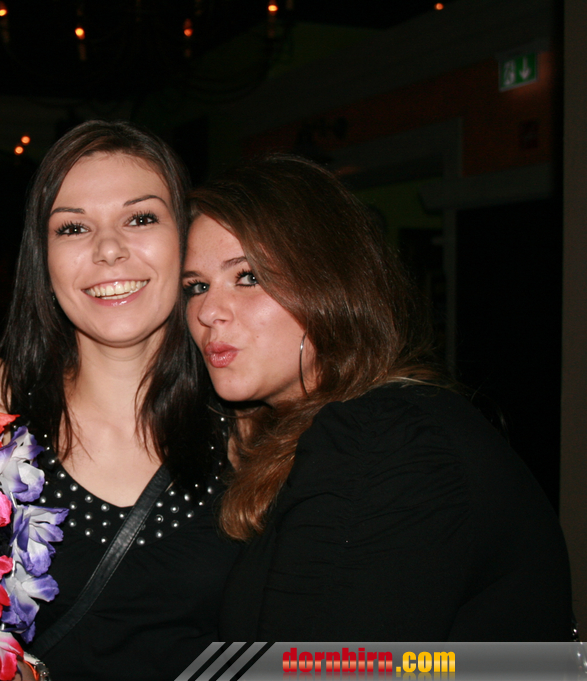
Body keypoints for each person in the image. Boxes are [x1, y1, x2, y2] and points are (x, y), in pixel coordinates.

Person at [182, 153, 572, 641]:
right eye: (196, 286)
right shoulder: (326, 432)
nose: (208, 311)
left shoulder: (381, 437)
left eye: (248, 277)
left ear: (329, 284)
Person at [0, 120, 240, 680]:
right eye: (73, 228)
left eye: (140, 219)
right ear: (43, 259)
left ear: (185, 239)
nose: (109, 249)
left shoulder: (253, 431)